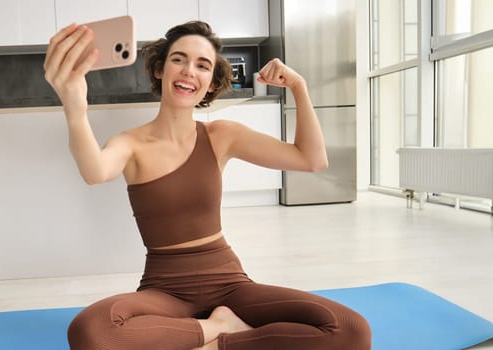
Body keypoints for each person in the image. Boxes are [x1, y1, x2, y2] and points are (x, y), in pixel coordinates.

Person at [44, 20, 371, 350]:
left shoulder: (221, 136)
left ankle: (215, 341)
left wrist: (299, 86)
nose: (189, 71)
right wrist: (74, 106)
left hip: (229, 283)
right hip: (164, 290)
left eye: (202, 65)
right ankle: (216, 327)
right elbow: (94, 171)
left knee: (352, 330)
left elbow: (311, 159)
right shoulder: (130, 144)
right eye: (179, 59)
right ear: (160, 69)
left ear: (211, 83)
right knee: (91, 331)